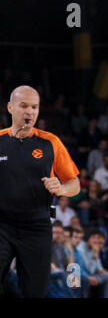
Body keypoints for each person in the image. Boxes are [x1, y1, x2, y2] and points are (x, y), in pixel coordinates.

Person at [0, 86, 80, 298]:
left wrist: (61, 188)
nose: (30, 112)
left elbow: (75, 184)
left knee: (36, 292)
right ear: (10, 107)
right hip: (2, 225)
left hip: (37, 227)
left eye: (34, 107)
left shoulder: (50, 142)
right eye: (24, 106)